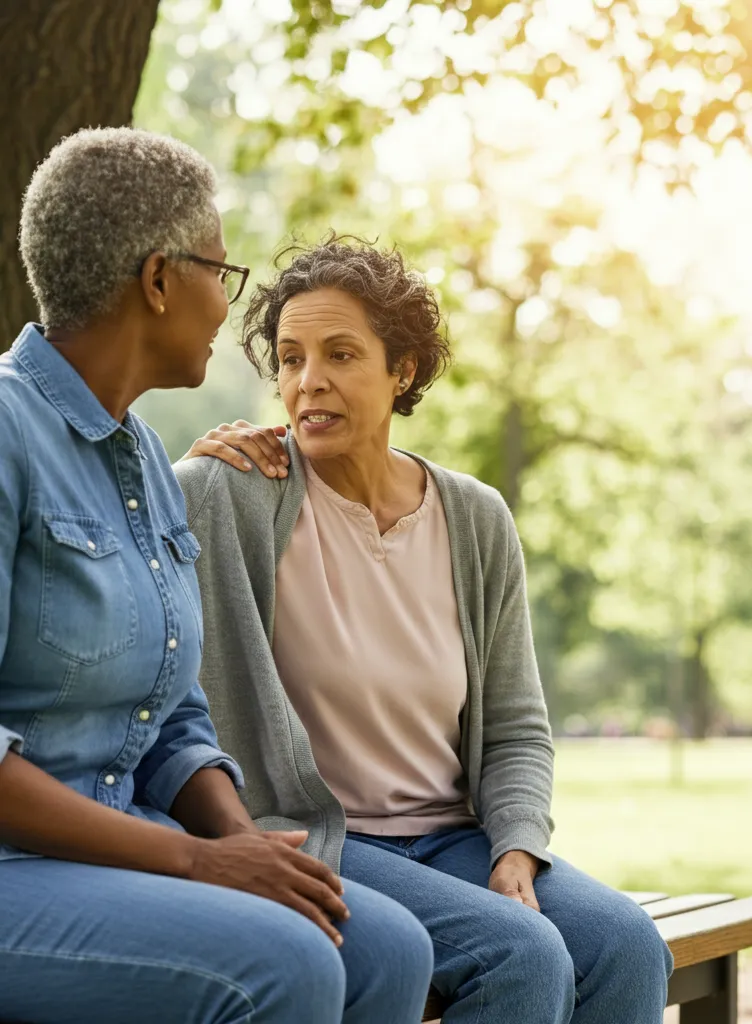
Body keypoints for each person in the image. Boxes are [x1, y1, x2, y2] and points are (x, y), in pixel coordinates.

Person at [176, 235, 674, 1024]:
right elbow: (135, 543)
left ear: (402, 370)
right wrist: (183, 474)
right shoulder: (234, 492)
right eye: (291, 357)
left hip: (456, 839)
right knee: (521, 956)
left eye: (341, 354)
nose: (309, 382)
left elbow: (514, 726)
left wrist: (515, 846)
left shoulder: (474, 517)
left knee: (628, 945)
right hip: (322, 841)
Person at [0, 130, 432, 1024]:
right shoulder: (7, 435)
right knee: (290, 966)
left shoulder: (143, 460)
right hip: (21, 868)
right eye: (221, 275)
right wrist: (201, 862)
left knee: (387, 948)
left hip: (122, 850)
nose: (230, 310)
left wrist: (244, 843)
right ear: (159, 281)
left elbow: (172, 718)